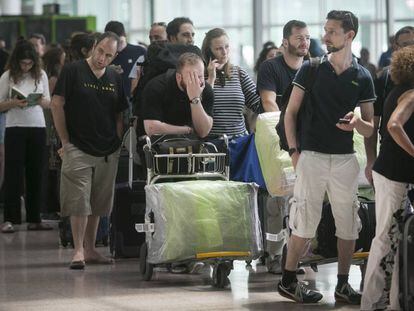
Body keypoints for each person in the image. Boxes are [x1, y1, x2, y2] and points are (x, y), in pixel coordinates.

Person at [279, 10, 375, 304]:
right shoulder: (311, 68)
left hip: (345, 159)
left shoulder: (362, 76)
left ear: (349, 36)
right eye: (325, 30)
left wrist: (360, 131)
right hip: (312, 156)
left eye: (331, 31)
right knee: (305, 221)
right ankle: (287, 280)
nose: (324, 36)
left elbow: (371, 128)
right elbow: (290, 114)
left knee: (349, 224)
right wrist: (295, 152)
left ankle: (343, 285)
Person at [51, 32, 128, 269]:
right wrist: (65, 142)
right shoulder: (73, 70)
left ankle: (92, 248)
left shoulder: (114, 78)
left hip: (107, 149)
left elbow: (119, 113)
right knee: (78, 201)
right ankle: (78, 251)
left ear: (114, 56)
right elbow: (57, 104)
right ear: (93, 47)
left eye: (108, 55)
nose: (102, 58)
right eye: (100, 51)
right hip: (77, 146)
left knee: (98, 203)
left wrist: (117, 140)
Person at [361, 46, 414, 311]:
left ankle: (391, 302)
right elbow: (394, 126)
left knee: (391, 240)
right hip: (395, 175)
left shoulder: (397, 90)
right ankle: (372, 303)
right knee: (387, 239)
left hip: (391, 173)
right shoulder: (412, 94)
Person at [0, 40, 52, 233]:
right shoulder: (8, 76)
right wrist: (13, 102)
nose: (26, 67)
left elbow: (47, 102)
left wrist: (39, 100)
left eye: (29, 63)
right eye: (23, 63)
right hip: (15, 127)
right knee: (14, 173)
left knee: (36, 173)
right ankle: (10, 219)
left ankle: (35, 217)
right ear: (16, 62)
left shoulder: (41, 75)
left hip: (37, 126)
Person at [365, 26, 414, 184]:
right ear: (396, 48)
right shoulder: (384, 79)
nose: (411, 48)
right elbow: (373, 124)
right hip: (392, 161)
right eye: (406, 44)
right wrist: (371, 160)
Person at [202, 28, 261, 137]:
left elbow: (258, 104)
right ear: (209, 51)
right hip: (212, 143)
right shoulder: (200, 75)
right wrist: (211, 78)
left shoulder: (238, 73)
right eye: (218, 48)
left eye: (227, 47)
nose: (224, 52)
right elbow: (201, 107)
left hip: (240, 142)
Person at [141, 52, 213, 138]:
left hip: (194, 145)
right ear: (179, 77)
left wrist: (195, 99)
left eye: (200, 76)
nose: (197, 82)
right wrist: (187, 130)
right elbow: (151, 128)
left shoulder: (205, 89)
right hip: (160, 144)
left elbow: (203, 132)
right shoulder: (156, 87)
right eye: (191, 77)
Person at [257, 20, 310, 112]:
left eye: (307, 38)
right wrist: (285, 126)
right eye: (299, 38)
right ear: (285, 43)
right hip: (276, 124)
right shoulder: (269, 67)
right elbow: (268, 102)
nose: (305, 42)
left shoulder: (312, 68)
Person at [41, 46, 66, 220]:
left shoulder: (51, 77)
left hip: (51, 125)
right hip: (52, 126)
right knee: (53, 169)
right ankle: (51, 207)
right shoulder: (54, 79)